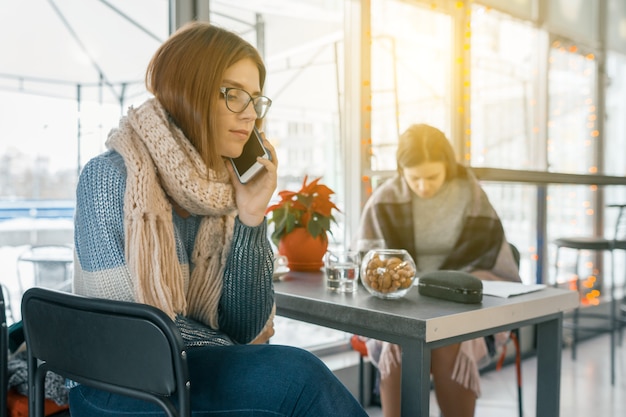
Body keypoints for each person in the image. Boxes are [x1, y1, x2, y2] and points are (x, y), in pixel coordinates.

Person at [71, 21, 367, 417]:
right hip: (115, 385)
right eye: (232, 94)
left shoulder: (221, 192)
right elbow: (140, 335)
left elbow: (245, 325)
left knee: (295, 377)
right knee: (299, 377)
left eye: (255, 100)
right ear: (187, 91)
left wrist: (250, 216)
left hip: (188, 373)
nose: (249, 115)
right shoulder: (110, 179)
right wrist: (233, 350)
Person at [355, 123, 521, 417]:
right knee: (401, 343)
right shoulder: (383, 199)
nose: (423, 186)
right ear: (400, 170)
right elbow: (366, 266)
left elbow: (491, 259)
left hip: (460, 299)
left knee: (448, 343)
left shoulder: (471, 195)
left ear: (448, 165)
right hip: (402, 304)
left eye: (432, 176)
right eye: (414, 177)